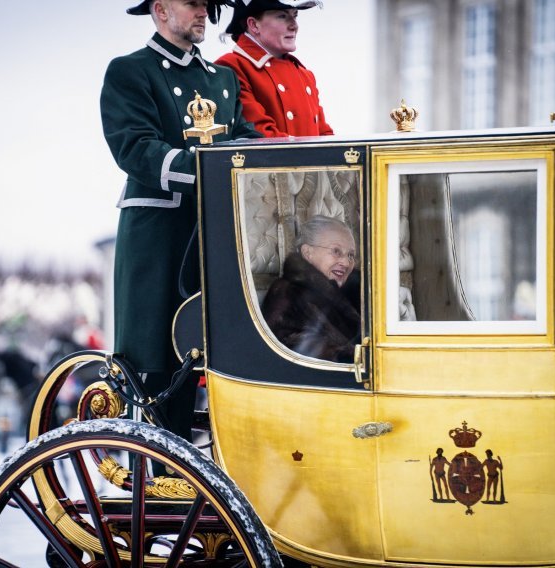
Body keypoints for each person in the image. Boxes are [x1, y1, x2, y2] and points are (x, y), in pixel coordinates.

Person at [100, 0, 260, 443]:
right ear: (160, 11)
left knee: (217, 358)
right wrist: (210, 172)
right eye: (191, 3)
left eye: (206, 5)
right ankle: (154, 483)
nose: (203, 13)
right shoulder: (131, 71)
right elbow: (134, 148)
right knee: (157, 368)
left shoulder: (222, 80)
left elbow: (245, 141)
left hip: (215, 235)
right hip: (161, 241)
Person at [216, 0, 333, 138]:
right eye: (282, 16)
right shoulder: (232, 67)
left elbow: (324, 133)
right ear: (254, 25)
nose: (294, 26)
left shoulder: (305, 75)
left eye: (294, 16)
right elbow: (258, 134)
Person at [261, 216, 360, 362]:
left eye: (351, 255)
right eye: (336, 251)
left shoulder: (357, 291)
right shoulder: (287, 294)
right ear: (307, 253)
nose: (346, 262)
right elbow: (300, 354)